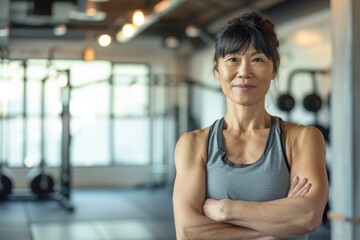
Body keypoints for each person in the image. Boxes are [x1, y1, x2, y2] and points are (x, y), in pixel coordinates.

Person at [172, 11, 328, 240]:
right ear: (217, 68)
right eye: (233, 59)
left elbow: (308, 216)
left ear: (273, 69)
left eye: (257, 59)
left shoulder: (302, 139)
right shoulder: (193, 144)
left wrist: (224, 210)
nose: (244, 72)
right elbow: (188, 231)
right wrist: (271, 230)